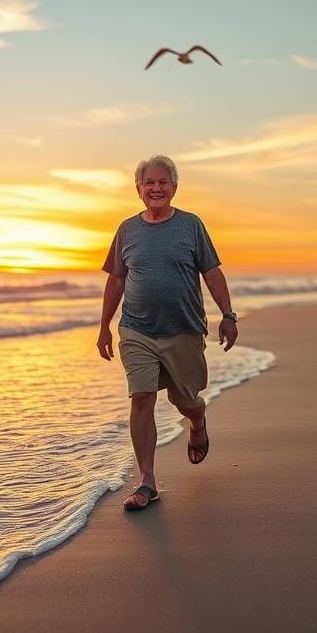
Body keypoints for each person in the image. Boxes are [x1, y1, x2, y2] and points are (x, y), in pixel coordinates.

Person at [97, 155, 238, 511]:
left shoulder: (191, 225)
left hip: (183, 330)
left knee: (184, 400)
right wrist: (104, 328)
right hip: (136, 329)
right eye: (149, 182)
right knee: (141, 397)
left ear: (174, 188)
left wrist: (228, 315)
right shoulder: (126, 230)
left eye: (163, 182)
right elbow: (116, 279)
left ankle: (198, 419)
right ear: (139, 190)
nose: (156, 188)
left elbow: (212, 272)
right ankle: (146, 482)